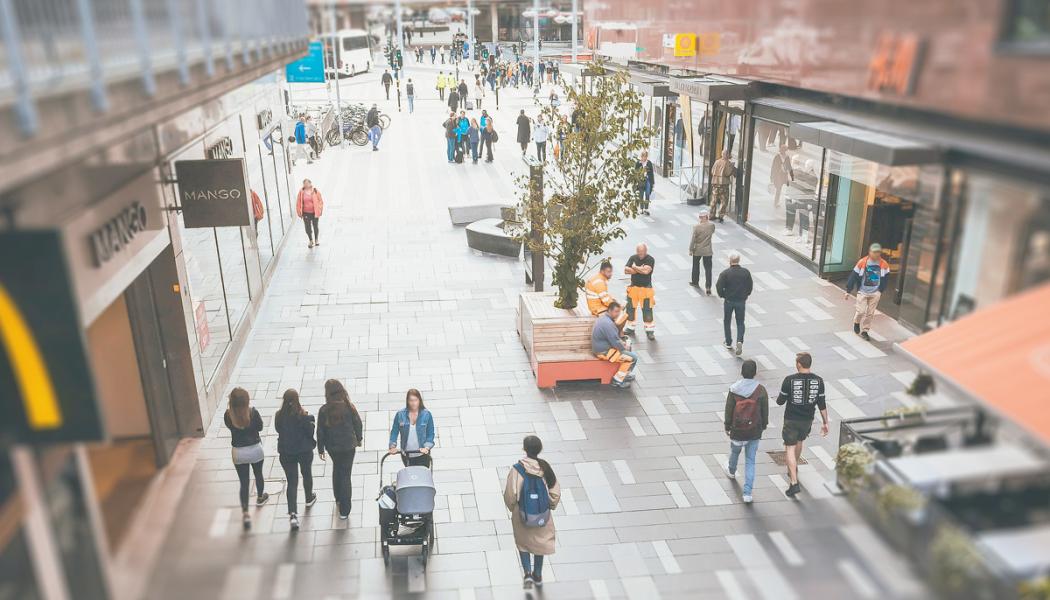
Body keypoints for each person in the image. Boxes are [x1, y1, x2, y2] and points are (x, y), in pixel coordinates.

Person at [503, 436, 561, 589]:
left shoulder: (517, 469)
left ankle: (527, 572)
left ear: (524, 449)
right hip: (542, 515)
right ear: (540, 449)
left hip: (522, 514)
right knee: (539, 544)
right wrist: (550, 505)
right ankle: (538, 574)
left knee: (523, 544)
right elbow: (555, 492)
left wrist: (513, 508)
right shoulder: (546, 468)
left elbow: (510, 494)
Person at [776, 353, 828, 498]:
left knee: (789, 448)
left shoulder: (789, 380)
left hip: (791, 419)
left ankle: (794, 482)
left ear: (799, 364)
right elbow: (822, 404)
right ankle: (794, 468)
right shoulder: (819, 381)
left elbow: (780, 401)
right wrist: (825, 423)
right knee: (799, 441)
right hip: (807, 420)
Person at [317, 379, 363, 519]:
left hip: (333, 448)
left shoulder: (324, 410)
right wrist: (359, 439)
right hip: (349, 446)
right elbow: (358, 424)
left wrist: (321, 449)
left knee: (337, 468)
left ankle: (337, 497)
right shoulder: (349, 407)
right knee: (345, 475)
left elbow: (320, 431)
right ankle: (345, 510)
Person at [723, 360, 768, 504]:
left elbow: (729, 410)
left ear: (741, 372)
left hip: (737, 429)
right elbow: (764, 411)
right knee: (750, 460)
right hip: (754, 430)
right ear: (755, 373)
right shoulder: (761, 390)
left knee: (735, 452)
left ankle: (731, 470)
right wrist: (764, 425)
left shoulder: (734, 389)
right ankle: (747, 493)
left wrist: (727, 426)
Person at [224, 388, 269, 531]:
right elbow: (261, 427)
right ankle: (261, 497)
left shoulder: (228, 415)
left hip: (239, 452)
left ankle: (245, 513)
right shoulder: (253, 413)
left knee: (244, 482)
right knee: (258, 474)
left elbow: (229, 426)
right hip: (255, 449)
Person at [274, 389, 316, 531]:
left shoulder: (279, 416)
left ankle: (293, 514)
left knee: (292, 482)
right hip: (304, 451)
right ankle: (309, 497)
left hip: (287, 452)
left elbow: (278, 429)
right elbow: (310, 432)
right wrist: (311, 421)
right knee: (306, 474)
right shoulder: (303, 416)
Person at [845, 243, 889, 341]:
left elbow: (886, 278)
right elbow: (853, 276)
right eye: (874, 252)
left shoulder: (884, 264)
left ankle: (865, 330)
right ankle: (856, 322)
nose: (876, 254)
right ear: (870, 252)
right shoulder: (862, 262)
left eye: (878, 252)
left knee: (870, 313)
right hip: (863, 292)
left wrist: (880, 290)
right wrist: (848, 290)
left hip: (875, 293)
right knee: (860, 311)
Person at [591, 302, 637, 388]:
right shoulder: (608, 324)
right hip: (604, 352)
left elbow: (614, 338)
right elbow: (615, 342)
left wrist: (621, 343)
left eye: (619, 311)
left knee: (628, 353)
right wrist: (624, 347)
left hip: (601, 348)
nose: (618, 314)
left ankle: (624, 375)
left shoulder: (604, 318)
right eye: (616, 311)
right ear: (610, 311)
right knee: (632, 358)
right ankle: (617, 381)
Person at [716, 252, 753, 356]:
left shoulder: (725, 273)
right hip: (741, 301)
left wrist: (723, 295)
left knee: (727, 321)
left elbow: (719, 286)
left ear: (730, 261)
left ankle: (728, 342)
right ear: (739, 260)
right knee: (740, 322)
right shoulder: (746, 272)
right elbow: (750, 286)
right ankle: (739, 340)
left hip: (729, 301)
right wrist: (746, 294)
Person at [387, 389, 435, 467]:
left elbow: (430, 433)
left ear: (419, 400)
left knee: (422, 476)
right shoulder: (400, 415)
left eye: (415, 400)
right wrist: (392, 446)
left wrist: (426, 447)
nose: (413, 403)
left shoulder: (427, 414)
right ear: (407, 401)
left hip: (422, 454)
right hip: (406, 454)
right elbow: (394, 432)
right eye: (411, 400)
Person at [624, 244, 657, 340]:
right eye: (639, 252)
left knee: (647, 309)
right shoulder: (633, 257)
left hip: (646, 289)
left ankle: (649, 331)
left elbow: (646, 271)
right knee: (630, 308)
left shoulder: (650, 259)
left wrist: (634, 267)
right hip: (633, 288)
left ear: (646, 251)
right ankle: (630, 328)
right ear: (636, 251)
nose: (640, 254)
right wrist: (639, 269)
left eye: (642, 252)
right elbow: (626, 270)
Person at [585, 260, 628, 330]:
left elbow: (605, 296)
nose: (611, 274)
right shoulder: (599, 283)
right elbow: (606, 301)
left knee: (617, 309)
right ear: (602, 271)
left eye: (611, 271)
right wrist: (619, 307)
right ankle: (617, 333)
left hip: (595, 306)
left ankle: (616, 332)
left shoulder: (597, 278)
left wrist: (614, 301)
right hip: (598, 309)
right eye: (608, 272)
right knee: (623, 315)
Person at [689, 207, 716, 293]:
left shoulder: (696, 227)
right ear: (707, 216)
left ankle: (695, 282)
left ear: (700, 217)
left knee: (696, 265)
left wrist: (690, 249)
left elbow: (693, 239)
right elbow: (712, 232)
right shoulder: (711, 225)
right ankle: (708, 287)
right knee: (708, 268)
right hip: (708, 250)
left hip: (698, 250)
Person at [295, 179, 324, 248]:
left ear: (310, 183)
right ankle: (311, 240)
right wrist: (299, 212)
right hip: (306, 213)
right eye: (305, 183)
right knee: (307, 228)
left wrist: (319, 210)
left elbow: (320, 201)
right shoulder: (301, 192)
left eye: (307, 183)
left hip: (315, 213)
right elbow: (298, 202)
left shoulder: (315, 191)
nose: (306, 185)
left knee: (315, 226)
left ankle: (316, 239)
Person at [710, 150, 736, 222]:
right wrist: (732, 167)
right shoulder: (728, 163)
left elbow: (712, 171)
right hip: (723, 185)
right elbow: (727, 173)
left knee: (714, 200)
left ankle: (711, 215)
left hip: (715, 183)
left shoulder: (717, 161)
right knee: (724, 201)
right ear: (727, 155)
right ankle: (720, 216)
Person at [770, 144, 794, 209]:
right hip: (778, 176)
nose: (787, 152)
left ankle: (789, 201)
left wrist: (792, 176)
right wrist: (772, 178)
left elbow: (789, 167)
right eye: (786, 150)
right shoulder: (777, 157)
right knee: (778, 189)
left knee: (789, 188)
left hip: (784, 175)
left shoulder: (787, 157)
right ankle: (776, 202)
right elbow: (773, 167)